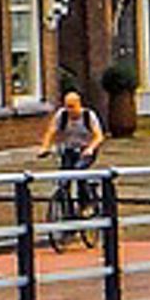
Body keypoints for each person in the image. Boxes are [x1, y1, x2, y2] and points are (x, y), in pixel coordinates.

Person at [43, 88, 106, 245]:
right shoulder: (62, 115)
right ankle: (68, 215)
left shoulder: (88, 116)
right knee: (64, 179)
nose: (69, 110)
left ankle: (86, 204)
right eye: (66, 106)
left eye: (72, 106)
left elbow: (99, 136)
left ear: (79, 104)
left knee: (79, 172)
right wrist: (45, 147)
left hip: (86, 150)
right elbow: (51, 131)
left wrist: (90, 148)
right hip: (69, 150)